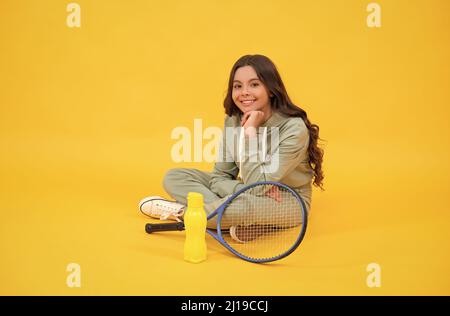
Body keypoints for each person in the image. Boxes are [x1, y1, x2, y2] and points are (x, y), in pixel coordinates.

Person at [139, 54, 325, 242]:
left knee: (241, 208)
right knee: (175, 177)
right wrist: (242, 189)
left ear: (270, 89)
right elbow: (220, 176)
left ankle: (181, 213)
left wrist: (250, 132)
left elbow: (258, 184)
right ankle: (234, 221)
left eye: (254, 84)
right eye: (238, 86)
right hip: (248, 189)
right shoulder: (234, 120)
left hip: (288, 200)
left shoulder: (293, 128)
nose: (244, 92)